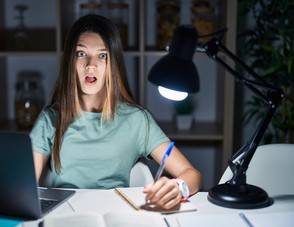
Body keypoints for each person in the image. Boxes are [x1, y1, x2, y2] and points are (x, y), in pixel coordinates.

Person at [30, 14, 202, 210]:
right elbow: (23, 187)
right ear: (70, 61)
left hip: (118, 217)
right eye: (81, 53)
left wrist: (177, 187)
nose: (90, 65)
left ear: (114, 64)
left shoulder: (137, 120)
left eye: (102, 55)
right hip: (65, 219)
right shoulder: (50, 119)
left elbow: (192, 174)